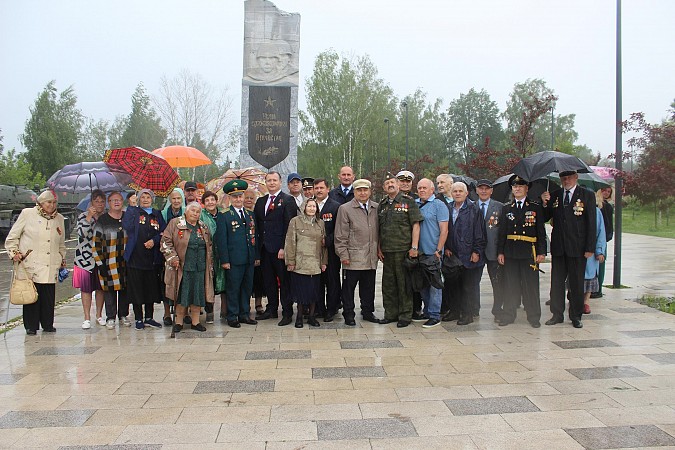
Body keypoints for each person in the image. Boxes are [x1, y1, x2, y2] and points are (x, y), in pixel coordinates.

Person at [541, 170, 597, 329]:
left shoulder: (586, 195)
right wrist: (545, 203)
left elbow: (591, 223)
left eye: (569, 178)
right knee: (557, 282)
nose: (566, 181)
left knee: (576, 283)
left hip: (578, 248)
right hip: (559, 247)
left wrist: (590, 247)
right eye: (563, 178)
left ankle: (576, 315)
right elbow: (545, 217)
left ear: (576, 178)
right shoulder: (556, 195)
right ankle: (557, 314)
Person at [5, 190, 66, 335]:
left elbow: (61, 243)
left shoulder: (60, 219)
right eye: (48, 202)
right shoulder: (27, 214)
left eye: (54, 202)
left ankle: (48, 324)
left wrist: (61, 258)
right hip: (30, 262)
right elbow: (12, 237)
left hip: (50, 262)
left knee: (48, 295)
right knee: (31, 295)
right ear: (40, 203)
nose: (51, 205)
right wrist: (14, 253)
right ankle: (31, 326)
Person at [496, 176, 546, 328]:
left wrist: (541, 252)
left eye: (520, 186)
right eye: (514, 186)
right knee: (510, 285)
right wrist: (500, 252)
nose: (517, 189)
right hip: (511, 252)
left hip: (528, 252)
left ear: (526, 188)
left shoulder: (535, 207)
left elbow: (541, 233)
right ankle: (509, 315)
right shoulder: (506, 208)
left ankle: (534, 316)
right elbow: (502, 233)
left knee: (530, 285)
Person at [377, 172, 423, 328]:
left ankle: (405, 315)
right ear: (384, 187)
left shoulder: (408, 201)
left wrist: (414, 247)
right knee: (388, 285)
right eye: (387, 183)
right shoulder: (382, 204)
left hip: (404, 250)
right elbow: (379, 229)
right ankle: (390, 313)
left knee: (404, 285)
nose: (390, 185)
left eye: (392, 182)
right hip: (387, 251)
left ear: (398, 185)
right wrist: (379, 248)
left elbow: (416, 225)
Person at [161, 202, 214, 333]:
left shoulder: (203, 226)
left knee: (197, 294)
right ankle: (178, 322)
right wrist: (172, 257)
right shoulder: (175, 223)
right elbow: (165, 242)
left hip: (200, 267)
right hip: (182, 266)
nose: (195, 214)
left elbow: (210, 245)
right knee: (182, 294)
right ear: (186, 211)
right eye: (193, 211)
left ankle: (195, 322)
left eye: (198, 212)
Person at [254, 171, 298, 325]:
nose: (271, 183)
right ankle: (271, 309)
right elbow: (258, 226)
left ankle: (287, 312)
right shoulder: (261, 201)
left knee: (285, 281)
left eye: (274, 180)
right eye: (269, 180)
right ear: (265, 182)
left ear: (280, 182)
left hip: (280, 250)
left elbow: (290, 226)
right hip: (264, 249)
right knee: (268, 281)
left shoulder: (288, 200)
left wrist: (283, 248)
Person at [334, 179, 380, 326]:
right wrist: (343, 254)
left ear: (370, 191)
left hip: (370, 256)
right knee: (348, 288)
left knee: (368, 287)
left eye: (365, 190)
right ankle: (348, 313)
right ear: (354, 192)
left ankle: (367, 311)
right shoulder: (345, 209)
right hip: (353, 257)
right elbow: (340, 234)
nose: (363, 193)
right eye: (359, 190)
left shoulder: (376, 208)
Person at [215, 180, 259, 328]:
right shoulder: (224, 215)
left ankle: (244, 313)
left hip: (249, 258)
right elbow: (221, 240)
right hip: (233, 260)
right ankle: (232, 316)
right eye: (235, 197)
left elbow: (254, 237)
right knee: (233, 288)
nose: (238, 199)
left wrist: (256, 256)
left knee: (247, 287)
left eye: (240, 196)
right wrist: (225, 260)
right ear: (229, 198)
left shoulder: (250, 214)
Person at [122, 189, 166, 330]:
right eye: (143, 197)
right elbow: (126, 226)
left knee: (150, 288)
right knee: (136, 289)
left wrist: (154, 240)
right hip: (135, 257)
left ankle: (149, 317)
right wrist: (131, 206)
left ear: (152, 199)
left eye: (148, 197)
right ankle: (139, 318)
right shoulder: (133, 212)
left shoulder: (157, 213)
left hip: (152, 259)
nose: (145, 199)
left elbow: (163, 232)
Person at [446, 182, 486, 325]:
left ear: (466, 193)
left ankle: (467, 314)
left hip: (468, 254)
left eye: (460, 191)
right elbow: (446, 230)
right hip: (453, 254)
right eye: (455, 191)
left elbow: (480, 233)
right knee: (453, 286)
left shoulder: (474, 209)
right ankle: (455, 311)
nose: (457, 193)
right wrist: (447, 247)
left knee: (468, 286)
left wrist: (477, 251)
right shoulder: (448, 208)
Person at [284, 198, 328, 328]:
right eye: (309, 206)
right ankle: (299, 317)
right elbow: (290, 242)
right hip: (300, 263)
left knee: (314, 292)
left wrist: (324, 262)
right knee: (301, 292)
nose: (312, 209)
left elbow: (324, 245)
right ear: (304, 207)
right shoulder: (295, 221)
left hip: (315, 263)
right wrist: (290, 261)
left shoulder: (320, 223)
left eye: (314, 207)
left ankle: (312, 317)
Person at [414, 178, 449, 328]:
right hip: (419, 253)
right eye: (419, 188)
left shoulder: (439, 205)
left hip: (433, 253)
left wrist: (438, 250)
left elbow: (444, 230)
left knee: (435, 286)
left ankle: (435, 315)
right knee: (422, 285)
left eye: (424, 188)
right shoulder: (415, 204)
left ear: (431, 189)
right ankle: (427, 311)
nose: (421, 190)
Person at [92, 191, 129, 329]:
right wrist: (100, 263)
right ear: (109, 202)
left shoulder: (127, 217)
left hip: (125, 261)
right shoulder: (103, 221)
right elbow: (96, 244)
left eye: (119, 200)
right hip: (108, 261)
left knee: (125, 289)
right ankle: (111, 317)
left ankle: (123, 315)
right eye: (114, 200)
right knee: (109, 291)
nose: (117, 202)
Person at [73, 189, 105, 329]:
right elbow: (82, 233)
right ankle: (86, 317)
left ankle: (99, 314)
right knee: (86, 289)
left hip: (101, 258)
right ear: (91, 202)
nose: (99, 204)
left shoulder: (105, 217)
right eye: (96, 201)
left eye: (102, 201)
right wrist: (89, 218)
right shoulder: (83, 216)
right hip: (85, 259)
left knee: (100, 288)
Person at [475, 179, 505, 321]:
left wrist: (501, 251)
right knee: (473, 282)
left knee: (497, 282)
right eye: (481, 188)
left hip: (494, 251)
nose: (484, 191)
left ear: (491, 191)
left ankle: (498, 309)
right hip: (476, 252)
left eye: (487, 188)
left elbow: (503, 232)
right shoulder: (471, 206)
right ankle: (473, 309)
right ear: (476, 190)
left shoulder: (499, 207)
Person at [313, 178, 342, 321]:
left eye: (321, 188)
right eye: (316, 188)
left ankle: (332, 309)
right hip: (313, 251)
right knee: (317, 281)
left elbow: (339, 229)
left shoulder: (335, 207)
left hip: (330, 250)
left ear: (327, 189)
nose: (319, 190)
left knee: (332, 280)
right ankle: (319, 308)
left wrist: (328, 240)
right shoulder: (310, 206)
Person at [200, 190, 226, 323]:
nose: (210, 202)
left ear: (216, 201)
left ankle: (224, 310)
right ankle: (209, 312)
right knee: (208, 283)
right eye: (207, 200)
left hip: (222, 253)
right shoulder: (201, 216)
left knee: (224, 281)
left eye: (212, 200)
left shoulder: (223, 214)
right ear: (203, 203)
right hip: (207, 254)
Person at [584, 191, 607, 313]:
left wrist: (600, 251)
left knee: (590, 276)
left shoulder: (596, 212)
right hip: (576, 251)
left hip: (591, 252)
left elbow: (601, 232)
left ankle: (586, 301)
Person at [244, 188, 265, 317]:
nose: (249, 200)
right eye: (247, 197)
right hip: (244, 252)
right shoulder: (240, 213)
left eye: (252, 198)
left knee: (258, 279)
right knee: (246, 281)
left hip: (257, 250)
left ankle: (258, 304)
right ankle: (245, 304)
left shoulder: (257, 213)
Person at [592, 186, 614, 298]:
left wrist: (605, 238)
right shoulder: (594, 204)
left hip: (602, 238)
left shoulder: (608, 207)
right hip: (592, 237)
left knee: (600, 263)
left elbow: (609, 225)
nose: (606, 193)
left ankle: (598, 289)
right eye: (604, 190)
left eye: (609, 192)